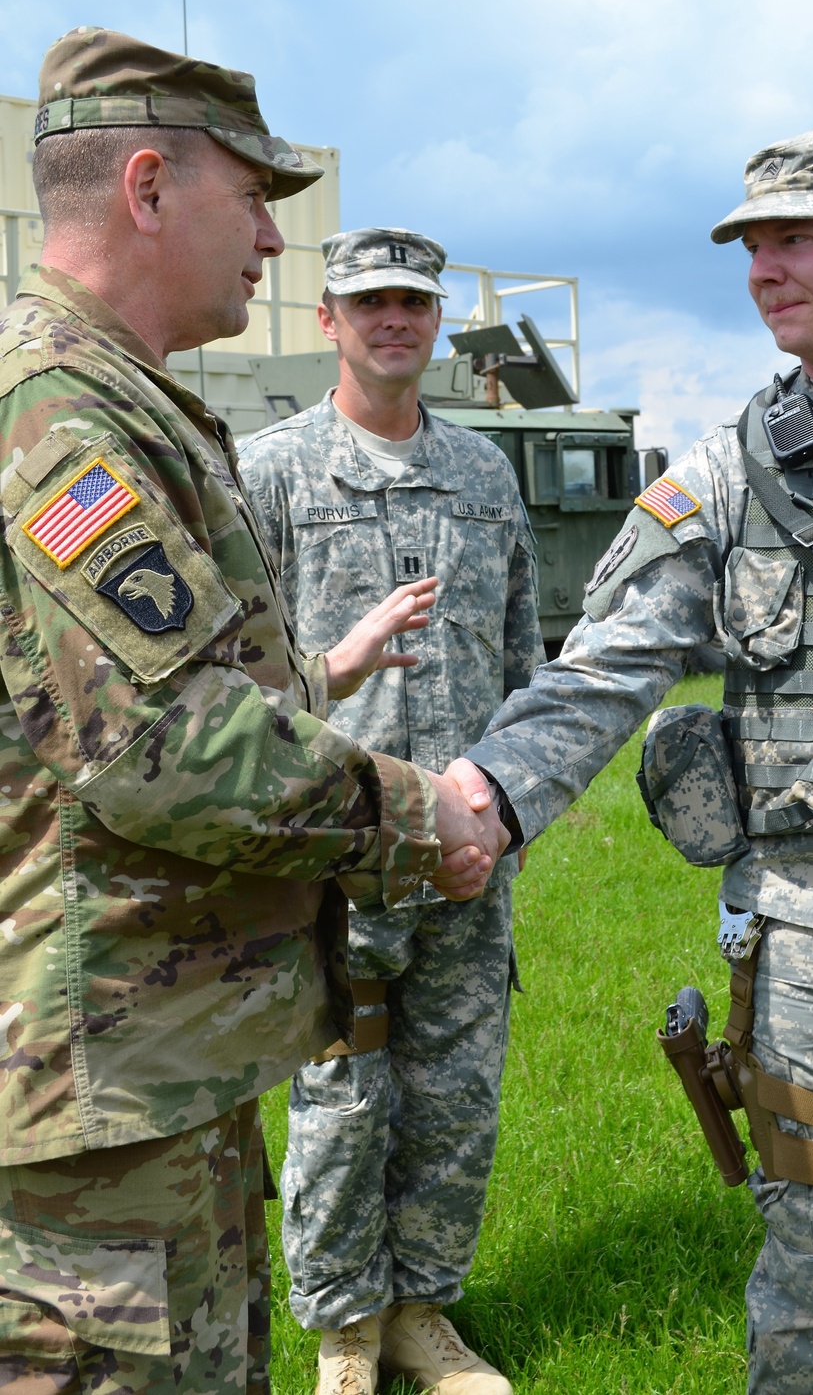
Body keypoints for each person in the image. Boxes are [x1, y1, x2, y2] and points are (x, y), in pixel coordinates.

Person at [443, 122, 813, 1393]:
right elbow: (600, 667)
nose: (762, 267)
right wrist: (483, 793)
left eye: (794, 236)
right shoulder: (731, 475)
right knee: (811, 1307)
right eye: (750, 243)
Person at [0, 29, 505, 1395]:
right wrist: (418, 813)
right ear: (150, 189)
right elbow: (166, 744)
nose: (276, 248)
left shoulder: (123, 402)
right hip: (94, 1084)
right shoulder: (59, 419)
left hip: (152, 1060)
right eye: (254, 202)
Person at [239, 226, 544, 1395]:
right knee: (339, 1096)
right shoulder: (271, 472)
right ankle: (344, 1332)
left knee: (455, 1091)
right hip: (338, 849)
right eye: (369, 302)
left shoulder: (483, 471)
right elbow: (248, 680)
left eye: (413, 302)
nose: (394, 321)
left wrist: (507, 816)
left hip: (470, 849)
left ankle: (422, 1312)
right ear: (327, 320)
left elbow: (522, 661)